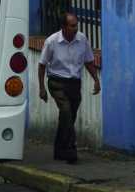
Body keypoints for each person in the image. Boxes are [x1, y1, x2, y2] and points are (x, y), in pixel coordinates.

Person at [38, 12, 100, 164]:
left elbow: (89, 61)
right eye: (72, 26)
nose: (75, 28)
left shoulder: (82, 39)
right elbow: (42, 65)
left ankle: (59, 149)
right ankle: (71, 151)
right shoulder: (52, 41)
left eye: (76, 25)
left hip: (74, 84)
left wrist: (96, 80)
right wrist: (42, 88)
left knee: (68, 117)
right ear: (63, 27)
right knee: (66, 112)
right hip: (56, 82)